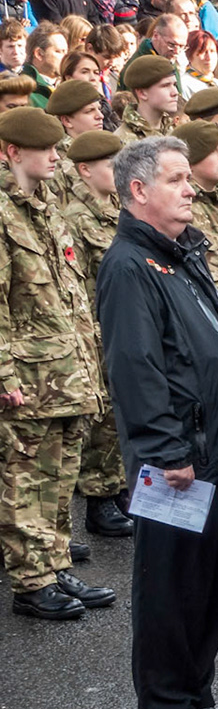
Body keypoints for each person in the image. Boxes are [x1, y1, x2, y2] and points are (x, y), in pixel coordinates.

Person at [101, 135, 218, 709]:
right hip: (180, 458)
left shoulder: (179, 252)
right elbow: (135, 366)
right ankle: (166, 707)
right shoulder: (128, 265)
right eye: (176, 180)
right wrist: (165, 449)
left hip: (217, 450)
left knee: (210, 580)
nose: (190, 188)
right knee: (171, 582)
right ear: (139, 191)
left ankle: (197, 692)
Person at [0, 105, 109, 620]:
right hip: (26, 373)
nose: (54, 157)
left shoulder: (43, 207)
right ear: (11, 152)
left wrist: (89, 359)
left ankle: (54, 562)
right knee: (26, 477)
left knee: (60, 472)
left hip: (66, 368)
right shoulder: (2, 212)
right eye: (45, 150)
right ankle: (30, 581)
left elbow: (71, 295)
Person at [61, 127, 131, 539]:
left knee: (121, 415)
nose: (117, 171)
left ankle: (120, 489)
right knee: (102, 420)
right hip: (98, 327)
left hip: (121, 323)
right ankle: (99, 499)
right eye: (109, 165)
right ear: (85, 170)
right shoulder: (75, 217)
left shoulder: (117, 209)